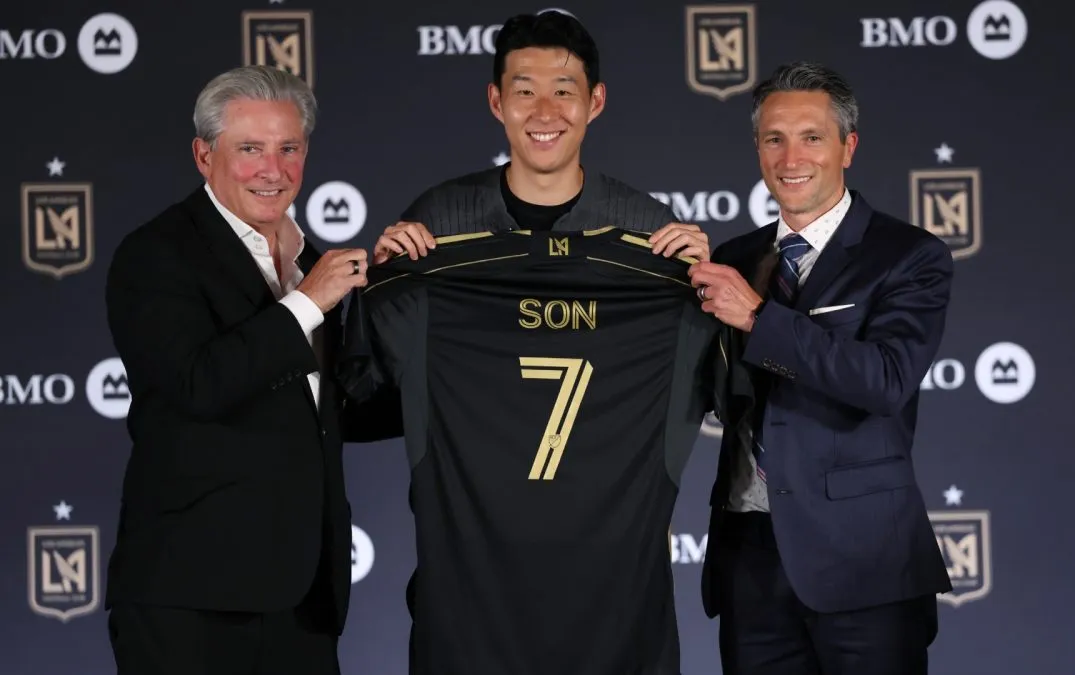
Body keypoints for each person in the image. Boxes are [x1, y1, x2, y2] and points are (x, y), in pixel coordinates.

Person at [102, 65, 393, 675]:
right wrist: (308, 302)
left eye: (289, 148)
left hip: (304, 598)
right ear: (204, 156)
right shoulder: (156, 254)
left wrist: (459, 380)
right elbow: (197, 384)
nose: (273, 169)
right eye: (250, 149)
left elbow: (329, 410)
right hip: (191, 602)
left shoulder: (310, 261)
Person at [687, 62, 954, 674]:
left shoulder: (910, 255)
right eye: (773, 138)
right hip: (749, 556)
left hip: (863, 562)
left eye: (811, 137)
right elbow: (711, 395)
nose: (790, 157)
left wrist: (758, 318)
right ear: (757, 147)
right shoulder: (733, 258)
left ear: (847, 146)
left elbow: (883, 380)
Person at [371, 10, 710, 263]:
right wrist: (384, 278)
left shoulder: (650, 230)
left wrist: (698, 287)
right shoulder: (437, 221)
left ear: (595, 101)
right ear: (496, 102)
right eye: (525, 92)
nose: (545, 113)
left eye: (563, 92)